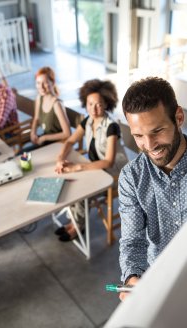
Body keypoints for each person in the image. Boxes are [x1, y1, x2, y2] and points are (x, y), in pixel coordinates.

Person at [118, 77, 187, 301]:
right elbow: (132, 241)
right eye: (138, 136)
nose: (150, 145)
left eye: (157, 131)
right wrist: (132, 279)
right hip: (158, 281)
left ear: (178, 118)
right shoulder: (131, 178)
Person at [55, 79, 128, 242]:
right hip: (97, 169)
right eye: (90, 104)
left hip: (114, 175)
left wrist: (78, 167)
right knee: (70, 180)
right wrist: (61, 157)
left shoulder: (111, 127)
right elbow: (70, 141)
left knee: (80, 187)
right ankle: (74, 220)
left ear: (106, 104)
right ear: (85, 104)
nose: (93, 109)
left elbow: (108, 161)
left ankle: (77, 225)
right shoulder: (87, 120)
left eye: (98, 104)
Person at [30, 67, 70, 148]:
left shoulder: (57, 104)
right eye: (38, 83)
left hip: (57, 144)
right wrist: (33, 132)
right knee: (22, 156)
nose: (41, 86)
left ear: (53, 83)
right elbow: (36, 118)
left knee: (25, 158)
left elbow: (67, 133)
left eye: (45, 83)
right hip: (45, 142)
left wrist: (44, 138)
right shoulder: (39, 98)